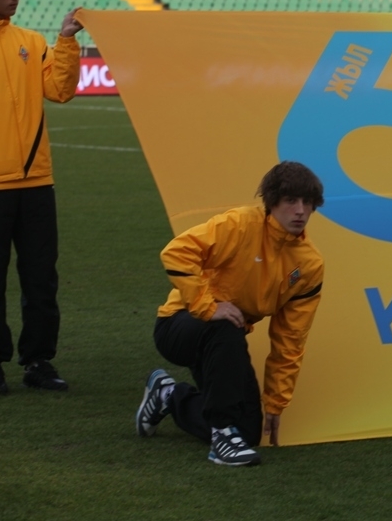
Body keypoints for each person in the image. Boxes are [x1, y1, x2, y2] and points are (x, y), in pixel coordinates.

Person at [135, 161, 326, 466]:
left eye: (307, 202)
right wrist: (207, 307)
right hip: (179, 326)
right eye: (291, 201)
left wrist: (276, 402)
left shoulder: (309, 265)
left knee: (248, 432)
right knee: (226, 324)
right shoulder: (241, 224)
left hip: (225, 344)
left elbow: (290, 338)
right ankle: (222, 435)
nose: (300, 211)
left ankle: (168, 395)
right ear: (272, 201)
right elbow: (177, 252)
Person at [0, 0, 82, 395]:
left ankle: (38, 361)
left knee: (41, 278)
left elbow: (61, 90)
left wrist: (66, 41)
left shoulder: (31, 42)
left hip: (37, 181)